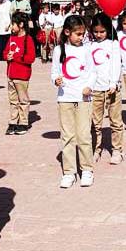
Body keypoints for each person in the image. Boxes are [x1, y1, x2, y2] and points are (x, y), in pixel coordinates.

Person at [51, 15, 95, 188]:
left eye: (83, 33)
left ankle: (87, 170)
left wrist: (89, 86)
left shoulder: (87, 49)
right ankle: (69, 172)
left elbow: (93, 72)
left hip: (84, 98)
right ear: (67, 32)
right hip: (65, 98)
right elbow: (54, 72)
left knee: (84, 135)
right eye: (78, 34)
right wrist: (56, 80)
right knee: (67, 136)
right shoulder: (58, 50)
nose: (81, 37)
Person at [89, 13, 124, 165]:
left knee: (115, 121)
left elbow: (116, 64)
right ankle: (95, 149)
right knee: (95, 123)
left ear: (108, 30)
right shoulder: (89, 45)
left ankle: (117, 150)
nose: (99, 35)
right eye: (96, 31)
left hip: (111, 89)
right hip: (95, 90)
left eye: (102, 31)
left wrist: (113, 82)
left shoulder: (113, 44)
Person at [4, 12, 36, 135]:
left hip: (22, 76)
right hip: (10, 75)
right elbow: (5, 52)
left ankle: (23, 122)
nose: (11, 26)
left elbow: (30, 58)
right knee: (13, 100)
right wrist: (7, 56)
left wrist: (15, 57)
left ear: (21, 25)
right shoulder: (11, 38)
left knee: (23, 100)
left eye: (13, 24)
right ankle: (13, 121)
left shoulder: (28, 39)